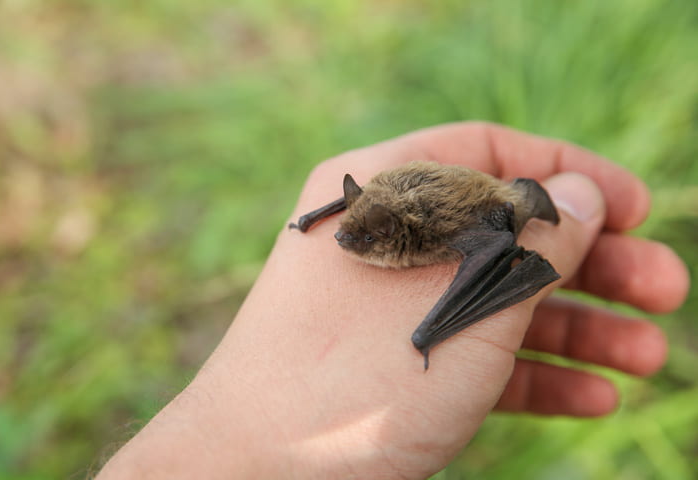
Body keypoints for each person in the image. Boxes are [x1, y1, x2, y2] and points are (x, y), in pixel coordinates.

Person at [96, 122, 689, 479]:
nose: (345, 239)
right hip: (418, 196)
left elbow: (484, 236)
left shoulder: (446, 236)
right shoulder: (367, 206)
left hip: (489, 208)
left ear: (395, 239)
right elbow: (358, 211)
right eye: (346, 224)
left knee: (496, 248)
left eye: (361, 235)